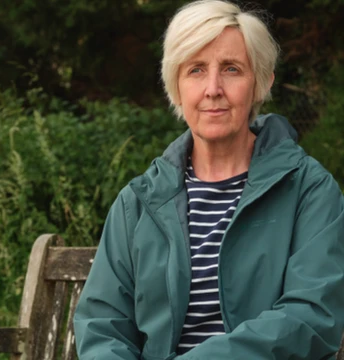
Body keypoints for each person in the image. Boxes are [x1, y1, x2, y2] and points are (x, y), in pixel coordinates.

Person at [73, 0, 344, 359]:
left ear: (261, 83)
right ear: (177, 87)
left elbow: (312, 317)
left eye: (231, 69)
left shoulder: (308, 190)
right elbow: (102, 323)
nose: (213, 88)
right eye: (196, 70)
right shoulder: (138, 202)